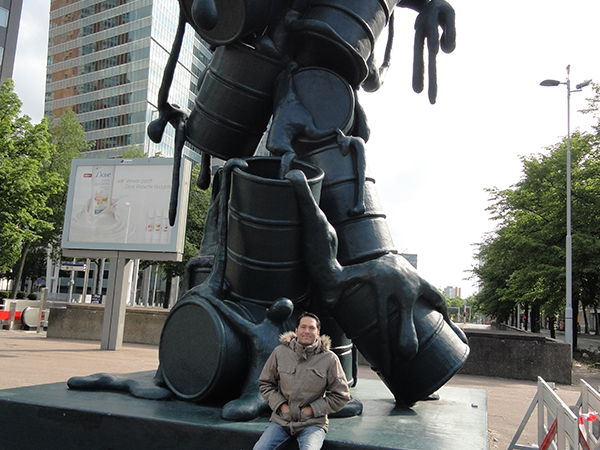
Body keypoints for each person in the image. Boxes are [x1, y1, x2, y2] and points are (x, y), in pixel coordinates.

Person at [254, 312, 350, 450]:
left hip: (312, 424)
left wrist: (312, 410)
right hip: (282, 421)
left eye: (311, 328)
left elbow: (342, 395)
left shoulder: (329, 359)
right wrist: (281, 406)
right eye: (303, 327)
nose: (307, 331)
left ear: (318, 333)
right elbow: (265, 383)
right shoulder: (280, 352)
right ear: (296, 330)